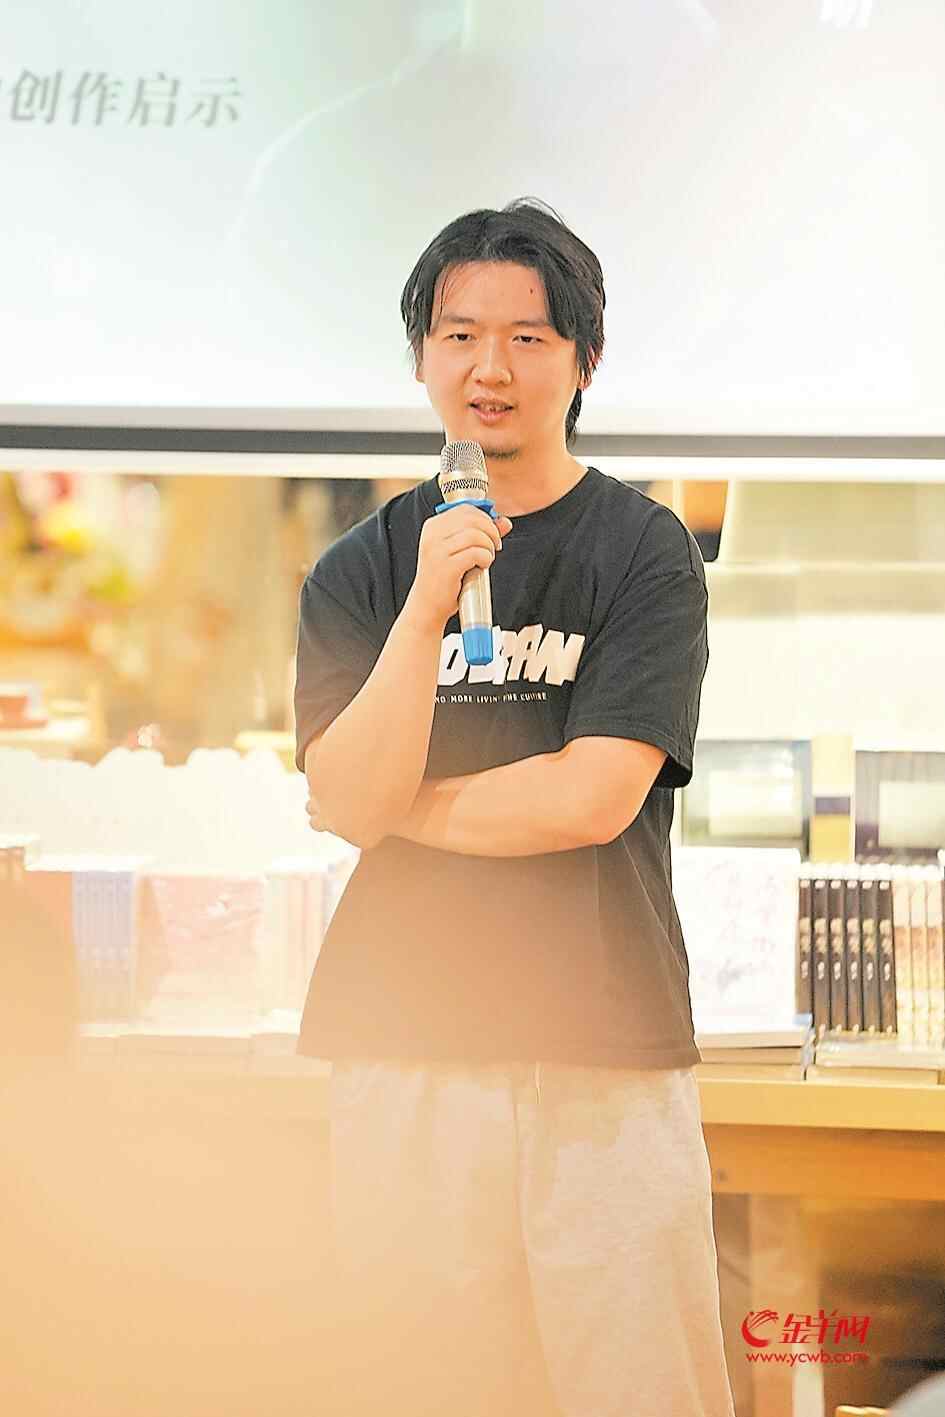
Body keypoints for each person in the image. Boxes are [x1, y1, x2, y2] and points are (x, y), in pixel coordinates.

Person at [294, 198, 736, 1417]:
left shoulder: (643, 550)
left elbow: (592, 797)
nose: (490, 368)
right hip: (405, 1035)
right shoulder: (361, 570)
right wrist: (427, 604)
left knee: (639, 1385)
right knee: (414, 1384)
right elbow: (343, 789)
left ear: (584, 360)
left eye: (528, 338)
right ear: (422, 357)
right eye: (460, 336)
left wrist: (396, 809)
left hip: (601, 1041)